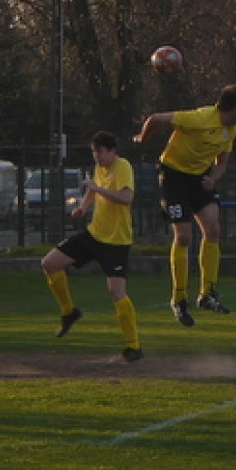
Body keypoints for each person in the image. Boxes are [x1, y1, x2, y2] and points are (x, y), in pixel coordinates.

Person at [134, 84, 236, 327]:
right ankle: (178, 299)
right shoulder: (199, 118)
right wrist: (142, 138)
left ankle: (207, 294)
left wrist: (213, 178)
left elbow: (222, 162)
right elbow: (156, 119)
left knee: (213, 230)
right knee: (184, 236)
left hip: (199, 178)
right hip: (174, 176)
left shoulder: (231, 129)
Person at [41, 130, 143, 362]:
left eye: (101, 153)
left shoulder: (123, 166)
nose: (97, 157)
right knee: (49, 263)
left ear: (112, 151)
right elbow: (93, 189)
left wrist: (97, 191)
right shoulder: (100, 168)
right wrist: (84, 207)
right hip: (94, 235)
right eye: (94, 152)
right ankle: (69, 312)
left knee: (116, 292)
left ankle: (134, 346)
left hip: (116, 242)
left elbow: (126, 198)